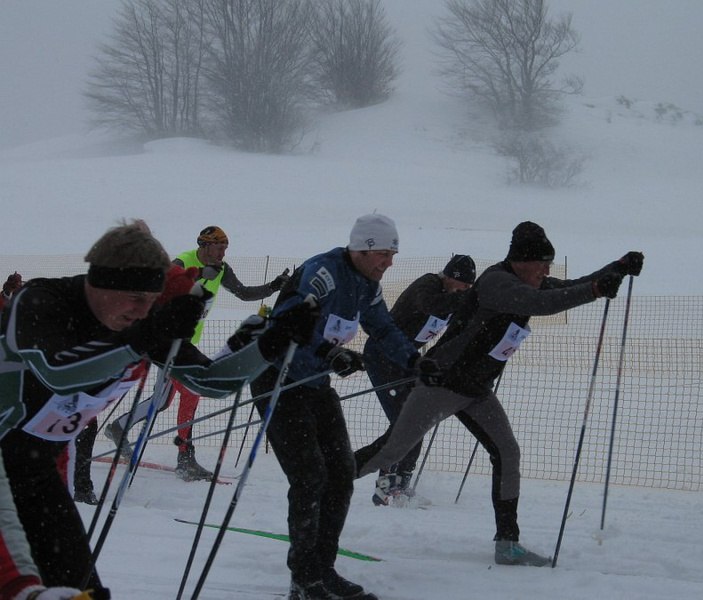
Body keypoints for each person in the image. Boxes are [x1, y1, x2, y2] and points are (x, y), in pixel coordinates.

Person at [0, 220, 317, 595]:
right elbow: (59, 373)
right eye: (136, 298)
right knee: (20, 587)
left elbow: (211, 381)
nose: (142, 310)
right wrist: (147, 334)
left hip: (36, 466)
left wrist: (271, 343)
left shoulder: (140, 322)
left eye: (151, 301)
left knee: (84, 590)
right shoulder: (42, 301)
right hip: (6, 457)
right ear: (102, 282)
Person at [355, 221, 644, 567]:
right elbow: (542, 303)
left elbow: (570, 286)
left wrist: (618, 268)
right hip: (443, 384)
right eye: (541, 265)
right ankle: (321, 484)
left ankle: (507, 543)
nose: (546, 272)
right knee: (391, 450)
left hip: (476, 390)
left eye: (548, 265)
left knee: (507, 453)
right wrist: (596, 291)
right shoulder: (497, 282)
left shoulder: (528, 281)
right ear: (521, 261)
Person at [250, 214, 439, 600]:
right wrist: (329, 353)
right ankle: (304, 580)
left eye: (393, 255)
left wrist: (414, 362)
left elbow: (382, 328)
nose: (389, 263)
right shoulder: (323, 273)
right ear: (362, 248)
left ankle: (323, 570)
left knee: (340, 474)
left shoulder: (367, 285)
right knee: (309, 477)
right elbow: (288, 325)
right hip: (279, 380)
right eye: (384, 254)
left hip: (315, 383)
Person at [105, 225, 290, 481]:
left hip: (185, 345)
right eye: (219, 247)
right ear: (204, 246)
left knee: (163, 399)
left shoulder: (222, 269)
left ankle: (120, 427)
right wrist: (200, 274)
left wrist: (273, 286)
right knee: (189, 393)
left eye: (225, 248)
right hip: (165, 342)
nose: (223, 253)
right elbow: (164, 286)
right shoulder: (183, 261)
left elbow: (243, 293)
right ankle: (185, 458)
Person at [362, 254, 476, 506]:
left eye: (469, 287)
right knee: (403, 421)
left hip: (407, 361)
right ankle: (385, 486)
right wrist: (466, 298)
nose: (465, 290)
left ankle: (402, 485)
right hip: (382, 356)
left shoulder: (452, 299)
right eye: (463, 285)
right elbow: (429, 304)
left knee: (417, 418)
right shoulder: (428, 284)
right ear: (450, 277)